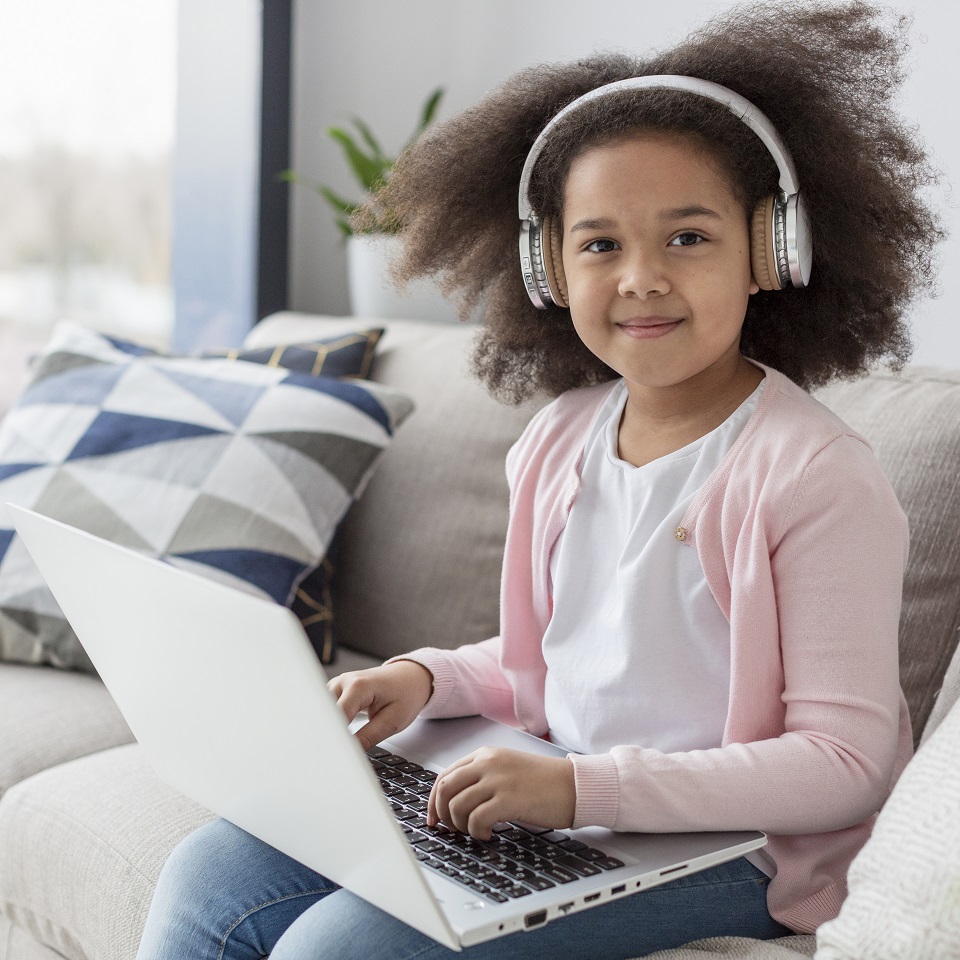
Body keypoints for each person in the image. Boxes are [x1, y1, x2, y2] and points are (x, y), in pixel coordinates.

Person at [136, 2, 943, 958]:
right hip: (568, 789)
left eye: (687, 237)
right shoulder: (560, 439)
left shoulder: (816, 476)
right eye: (600, 243)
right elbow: (559, 659)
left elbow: (844, 765)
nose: (640, 277)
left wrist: (579, 791)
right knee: (210, 876)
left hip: (732, 849)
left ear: (772, 252)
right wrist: (424, 679)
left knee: (339, 948)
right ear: (547, 266)